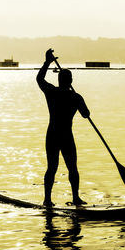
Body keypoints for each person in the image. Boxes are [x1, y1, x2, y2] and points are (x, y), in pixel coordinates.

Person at [37, 49, 90, 207]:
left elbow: (39, 79)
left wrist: (47, 62)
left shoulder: (52, 92)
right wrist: (79, 102)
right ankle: (75, 198)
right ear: (71, 81)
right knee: (72, 168)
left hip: (53, 134)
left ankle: (48, 200)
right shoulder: (76, 97)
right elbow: (86, 114)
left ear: (60, 80)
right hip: (66, 136)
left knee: (52, 168)